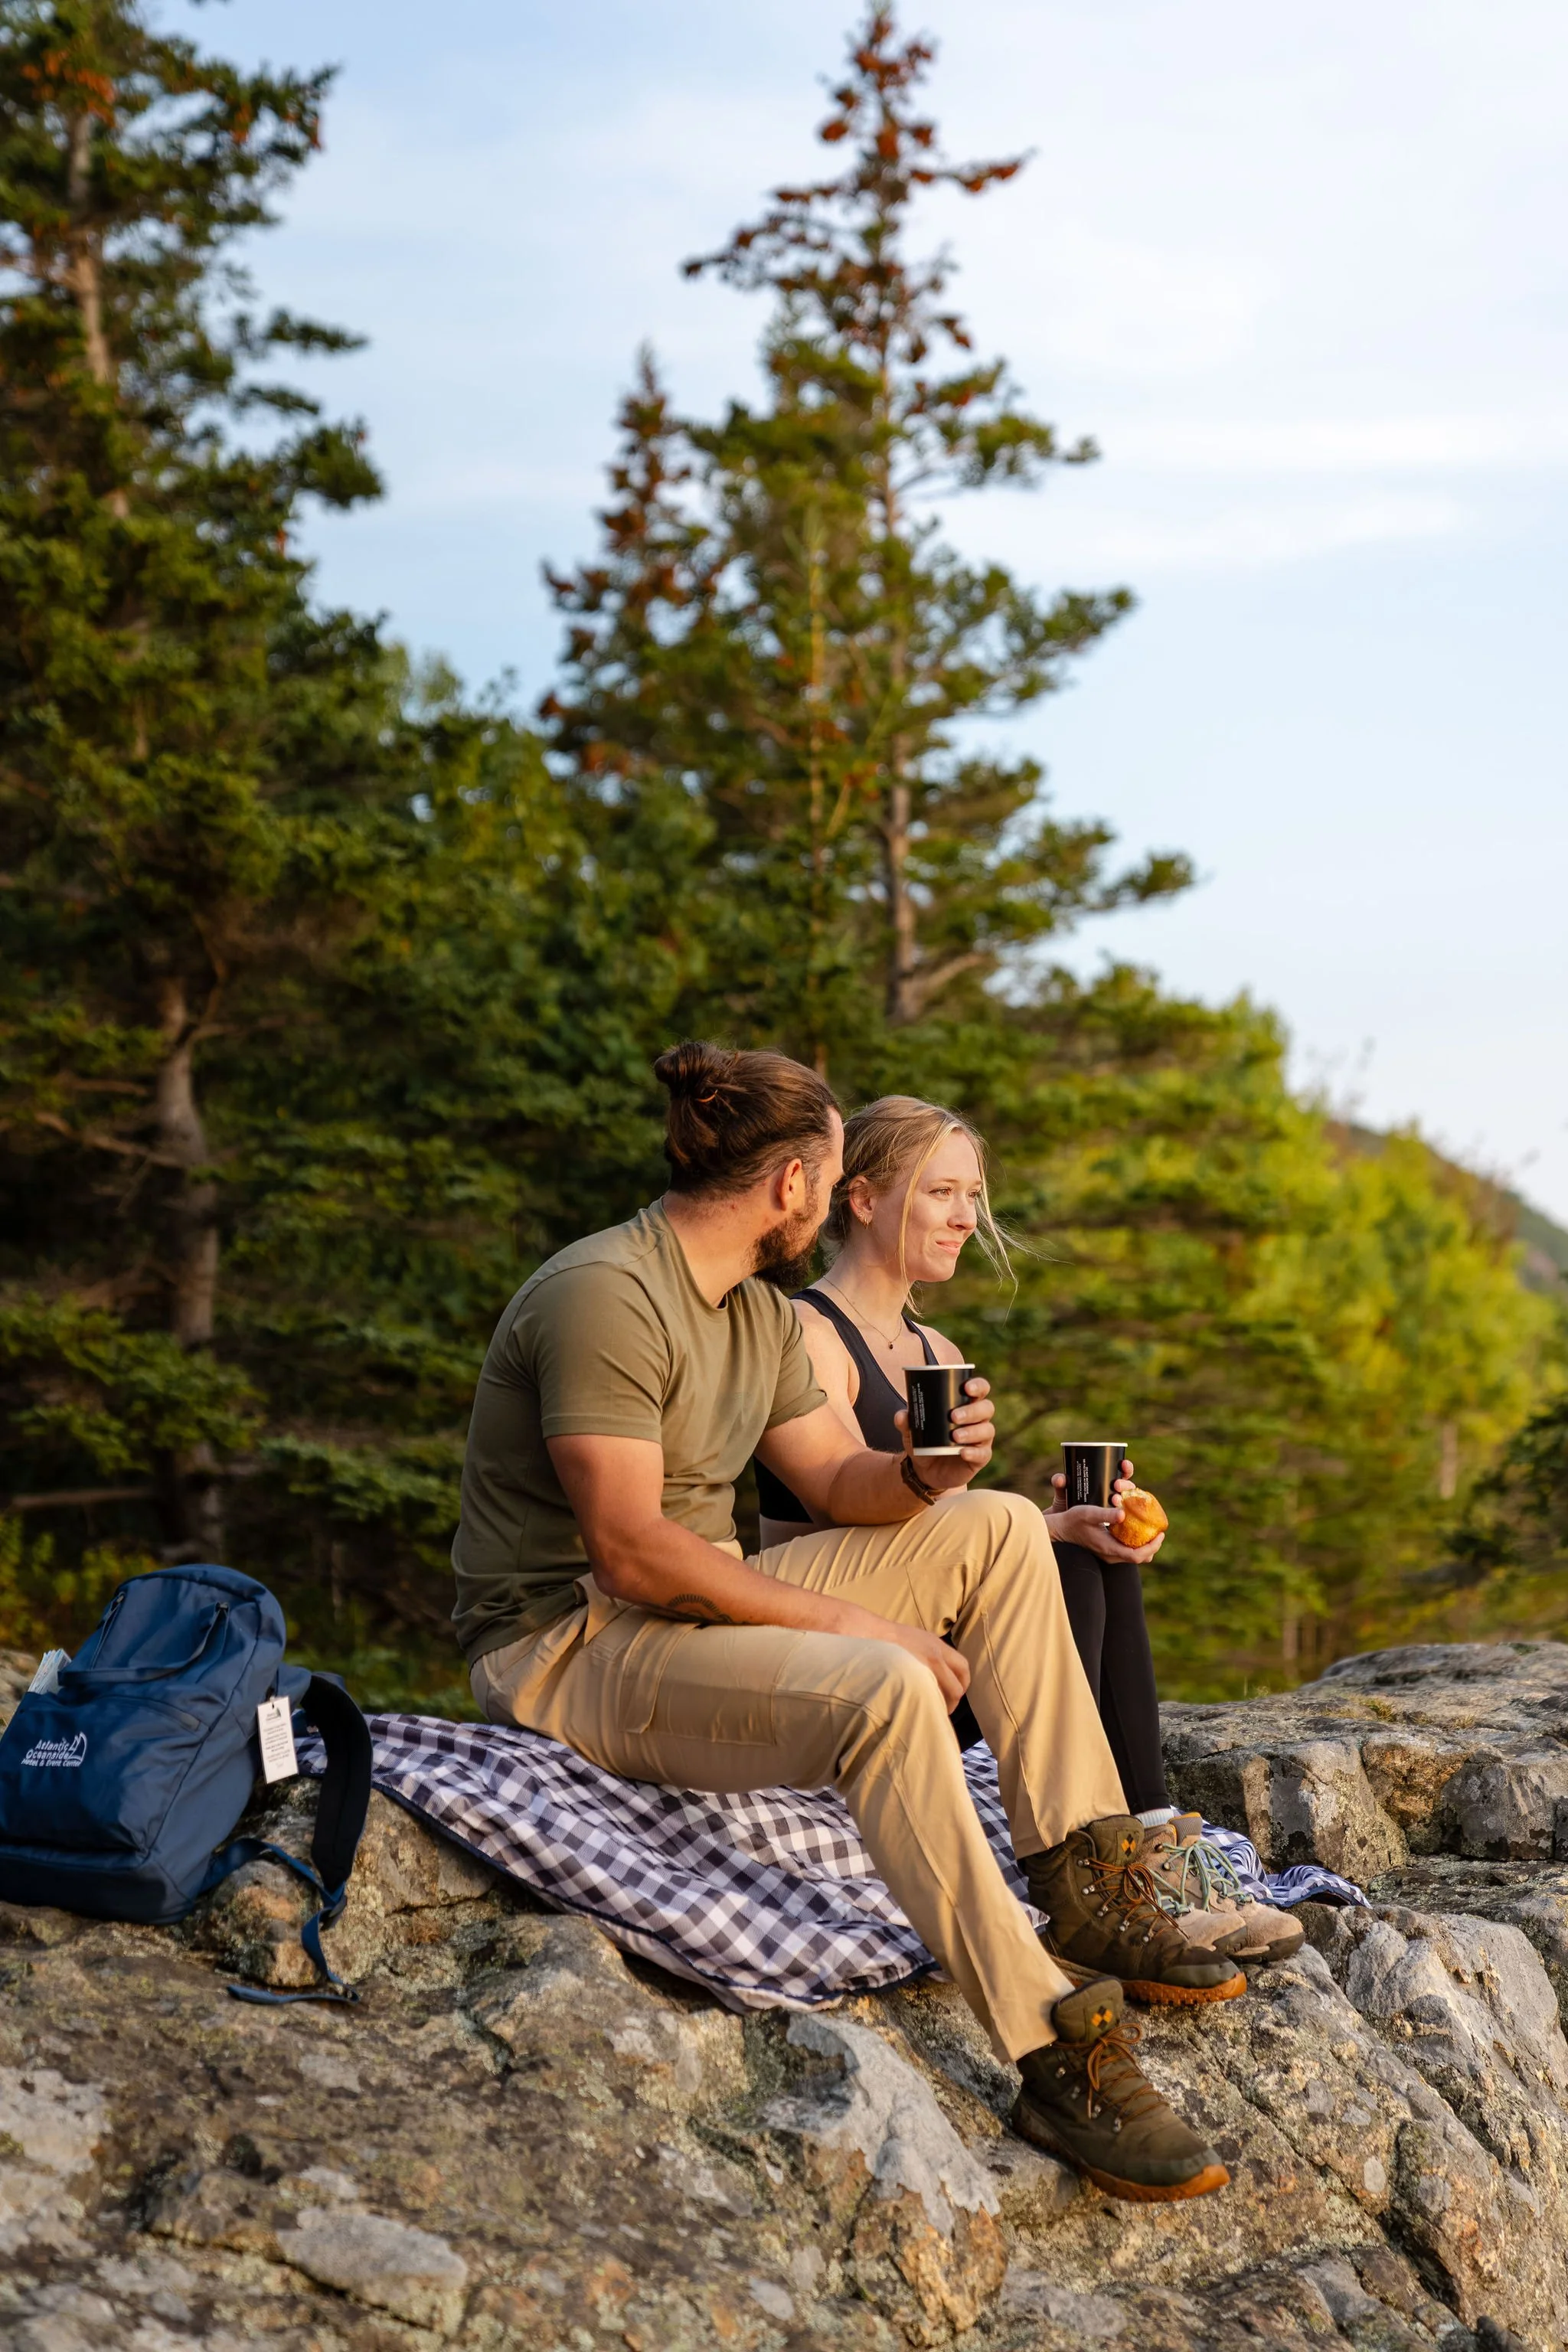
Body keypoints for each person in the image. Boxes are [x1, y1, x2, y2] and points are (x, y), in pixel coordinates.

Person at [452, 1040, 1249, 2202]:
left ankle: (1090, 1878)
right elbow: (628, 1551)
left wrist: (931, 1473)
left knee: (999, 1525)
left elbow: (836, 1487)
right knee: (881, 1692)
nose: (829, 1205)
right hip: (569, 1647)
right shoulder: (603, 1296)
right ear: (791, 1184)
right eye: (827, 1180)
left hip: (687, 1609)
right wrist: (860, 1633)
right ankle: (1051, 2046)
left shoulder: (754, 1318)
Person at [756, 1093, 1302, 1968]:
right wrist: (1029, 1531)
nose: (966, 1218)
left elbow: (943, 1538)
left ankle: (1149, 1841)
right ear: (860, 1199)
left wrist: (1067, 1527)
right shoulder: (802, 1333)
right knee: (1053, 1552)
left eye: (971, 1196)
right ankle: (1102, 1858)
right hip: (834, 1650)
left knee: (1086, 1557)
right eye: (940, 1193)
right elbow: (843, 1510)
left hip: (933, 1648)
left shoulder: (937, 1352)